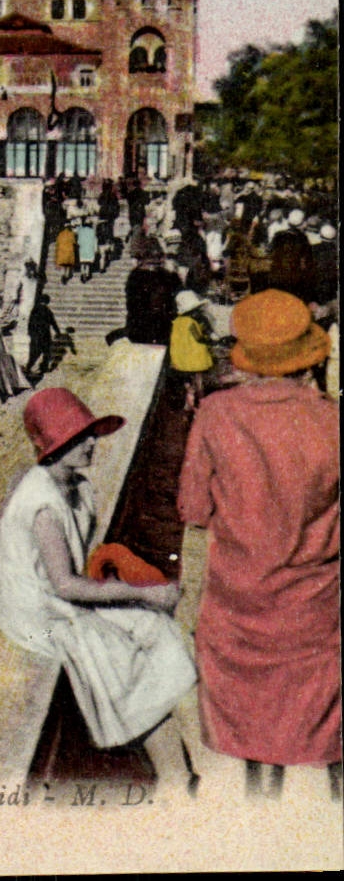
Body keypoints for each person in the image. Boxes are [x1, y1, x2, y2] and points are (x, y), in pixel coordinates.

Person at [0, 387, 197, 793]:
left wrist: (136, 597)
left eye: (89, 434)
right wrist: (145, 593)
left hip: (56, 597)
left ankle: (187, 757)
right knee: (113, 652)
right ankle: (175, 774)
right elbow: (65, 585)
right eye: (75, 438)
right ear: (51, 447)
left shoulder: (73, 487)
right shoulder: (43, 502)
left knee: (155, 629)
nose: (89, 444)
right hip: (37, 614)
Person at [177, 289, 340, 799]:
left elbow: (193, 510)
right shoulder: (333, 421)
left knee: (251, 746)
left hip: (238, 614)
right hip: (315, 618)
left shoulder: (216, 414)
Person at [169, 290, 215, 411]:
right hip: (194, 359)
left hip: (180, 359)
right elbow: (198, 338)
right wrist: (209, 341)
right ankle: (201, 400)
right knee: (198, 381)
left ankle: (188, 403)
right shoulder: (191, 322)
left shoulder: (176, 322)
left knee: (187, 383)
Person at [25, 290, 63, 378]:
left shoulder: (34, 309)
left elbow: (29, 323)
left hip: (36, 336)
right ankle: (42, 368)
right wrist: (58, 332)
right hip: (44, 335)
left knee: (34, 353)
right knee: (46, 353)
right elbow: (53, 322)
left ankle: (29, 367)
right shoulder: (47, 310)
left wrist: (30, 334)